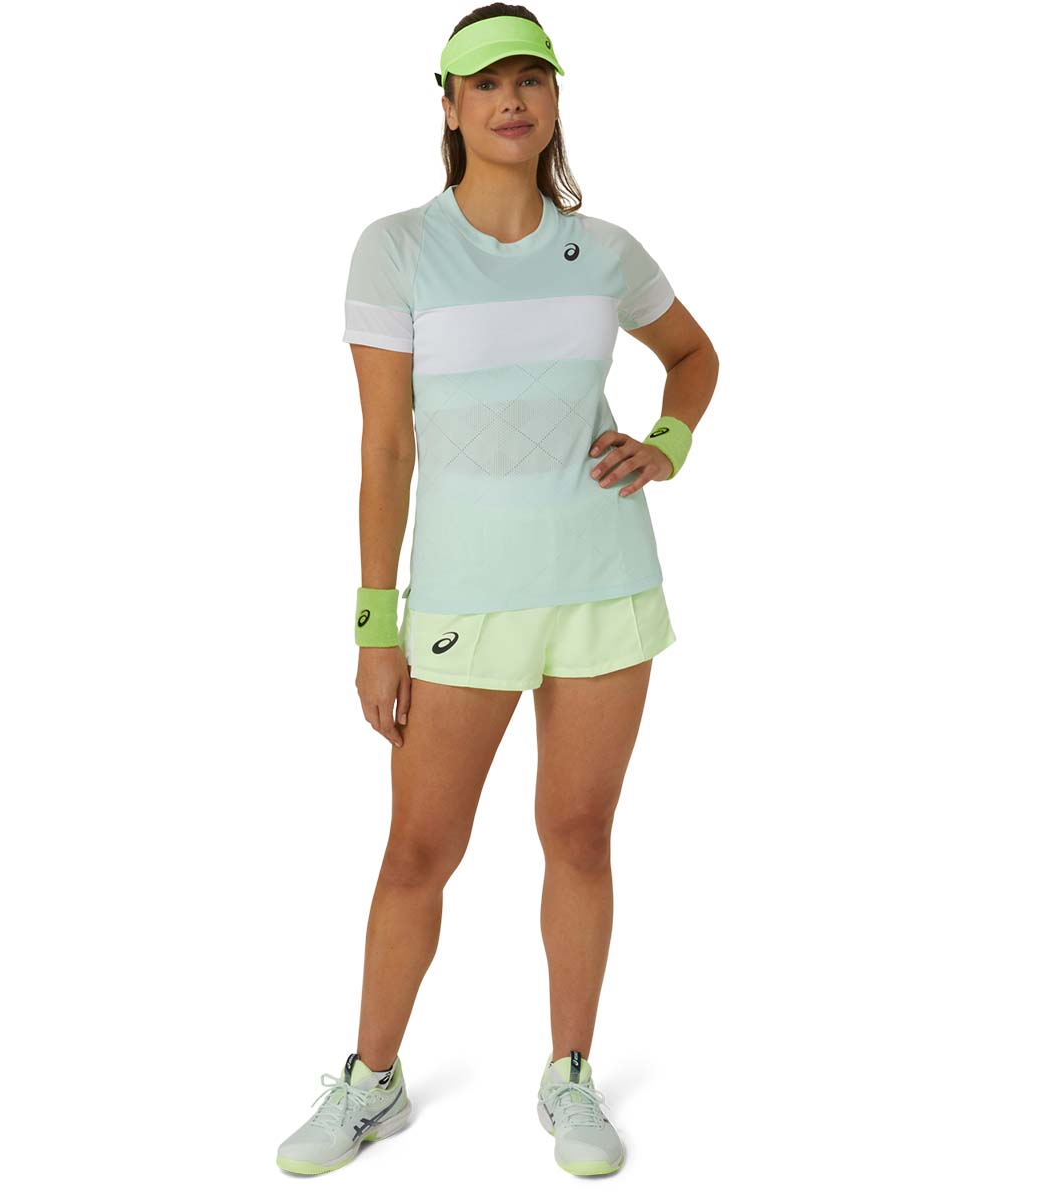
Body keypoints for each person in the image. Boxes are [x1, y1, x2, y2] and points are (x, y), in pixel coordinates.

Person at [276, 5, 718, 1178]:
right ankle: (372, 1078)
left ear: (557, 99)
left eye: (532, 78)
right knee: (419, 849)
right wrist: (376, 626)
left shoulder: (606, 251)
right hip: (461, 604)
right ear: (450, 106)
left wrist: (668, 443)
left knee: (578, 834)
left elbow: (694, 354)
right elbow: (385, 450)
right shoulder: (396, 249)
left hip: (602, 587)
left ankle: (569, 1075)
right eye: (487, 83)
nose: (512, 99)